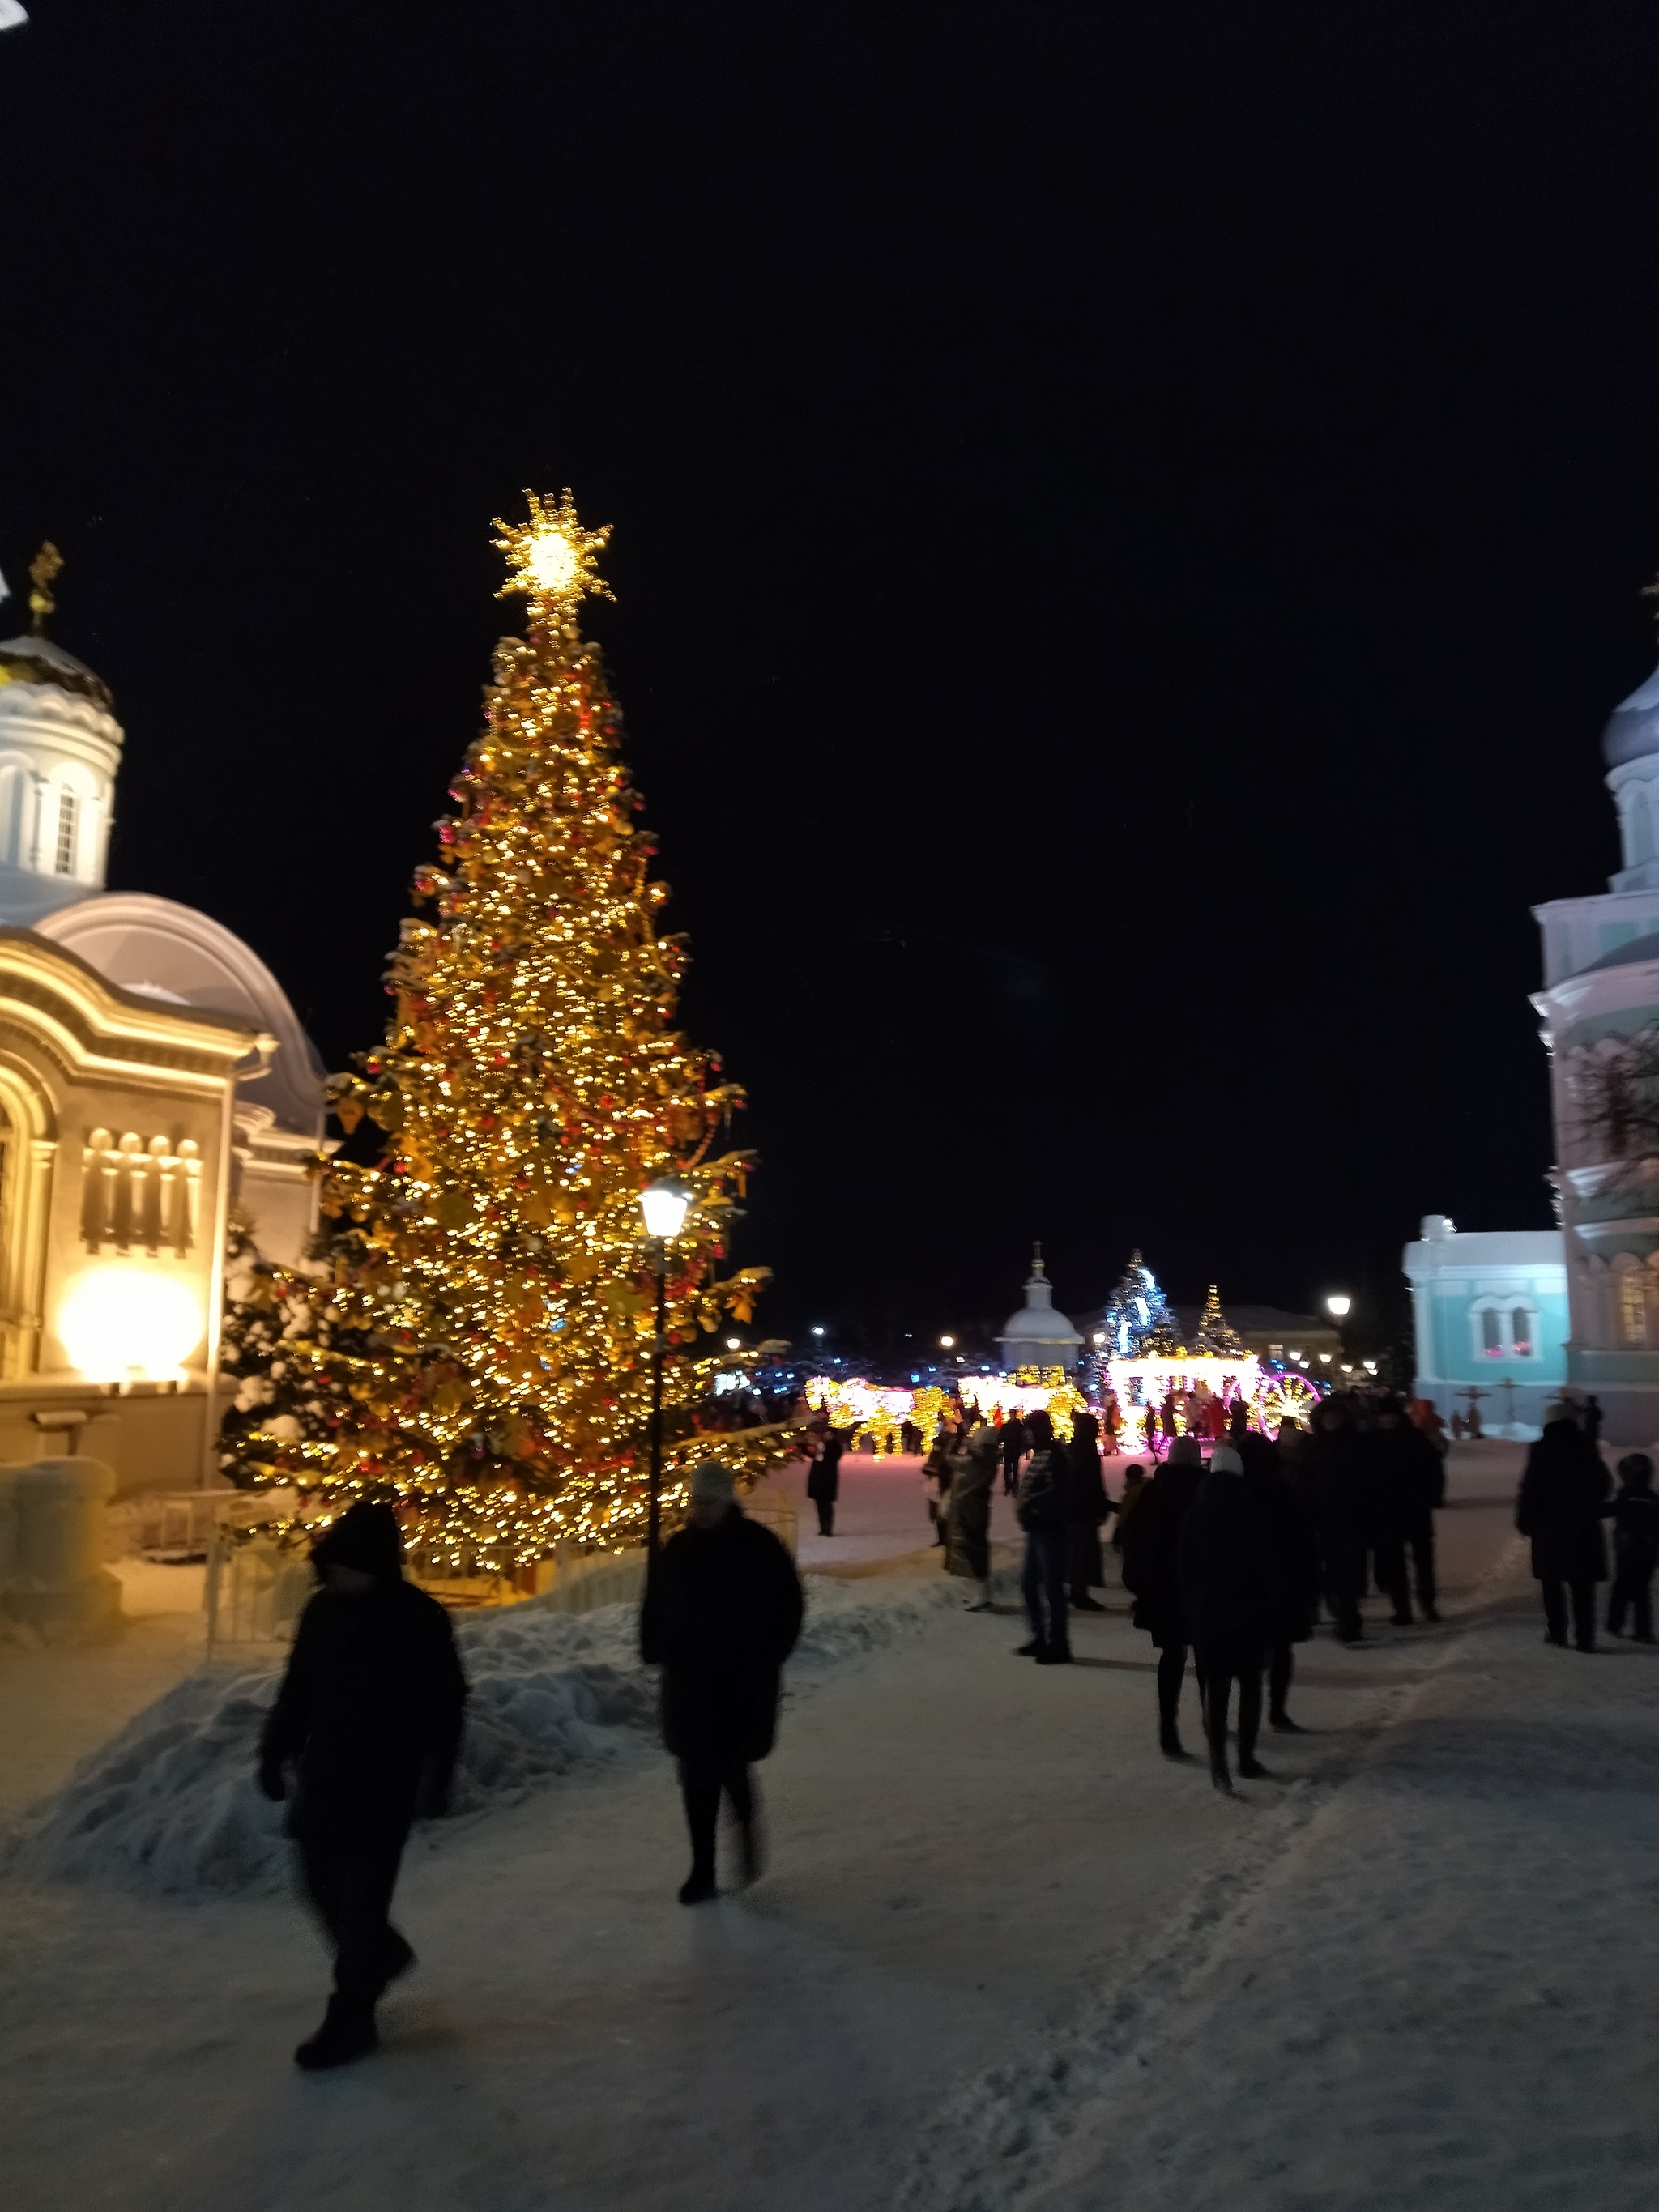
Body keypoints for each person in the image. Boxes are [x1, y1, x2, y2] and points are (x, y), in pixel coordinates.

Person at [258, 1501, 467, 2071]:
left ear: (374, 1564)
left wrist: (435, 1773)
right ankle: (381, 1954)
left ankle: (351, 2015)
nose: (334, 1576)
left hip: (385, 1778)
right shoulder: (322, 1612)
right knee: (318, 1884)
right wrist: (273, 1750)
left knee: (361, 1900)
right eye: (330, 1566)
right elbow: (298, 1687)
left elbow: (446, 1703)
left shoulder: (416, 1618)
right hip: (325, 1770)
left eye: (345, 1566)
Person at [639, 1460, 804, 1903]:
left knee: (730, 1767)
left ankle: (746, 1825)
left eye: (711, 1502)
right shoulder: (678, 1549)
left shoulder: (757, 1548)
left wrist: (766, 1656)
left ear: (727, 1501)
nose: (703, 1511)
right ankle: (702, 1869)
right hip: (690, 1682)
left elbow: (787, 1607)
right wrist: (654, 1644)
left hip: (739, 1683)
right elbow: (657, 1600)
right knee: (696, 1776)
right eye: (697, 1502)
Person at [1179, 1442, 1287, 1792]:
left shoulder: (1197, 1512)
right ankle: (1245, 1756)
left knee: (1217, 1686)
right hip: (1248, 1608)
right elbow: (1268, 1564)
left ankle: (1218, 1762)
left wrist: (1194, 1602)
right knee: (1251, 1685)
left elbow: (1185, 1566)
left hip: (1211, 1610)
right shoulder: (1252, 1509)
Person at [1120, 1435, 1206, 1755]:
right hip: (1200, 1588)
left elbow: (1134, 1540)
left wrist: (1140, 1583)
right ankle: (1212, 1718)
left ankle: (1168, 1726)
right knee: (1206, 1657)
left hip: (1164, 1589)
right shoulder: (1204, 1491)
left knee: (1171, 1657)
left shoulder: (1153, 1493)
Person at [1236, 1431, 1320, 1732]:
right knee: (1281, 1650)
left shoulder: (1229, 1493)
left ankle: (1243, 1717)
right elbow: (1302, 1542)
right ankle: (1276, 1711)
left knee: (1244, 1655)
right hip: (1283, 1582)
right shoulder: (1282, 1492)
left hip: (1242, 1585)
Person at [1516, 1406, 1611, 1652]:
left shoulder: (1541, 1449)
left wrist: (1525, 1521)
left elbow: (1531, 1488)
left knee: (1552, 1582)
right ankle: (1585, 1638)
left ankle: (1557, 1632)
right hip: (1583, 1526)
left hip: (1550, 1527)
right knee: (1582, 1585)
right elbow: (1603, 1484)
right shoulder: (1586, 1446)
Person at [1298, 1395, 1370, 1643]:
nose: (1332, 1421)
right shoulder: (1312, 1448)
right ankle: (1339, 1611)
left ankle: (1349, 1619)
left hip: (1351, 1517)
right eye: (1327, 1418)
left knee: (1348, 1571)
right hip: (1323, 1519)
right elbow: (1303, 1484)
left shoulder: (1357, 1445)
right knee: (1331, 1571)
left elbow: (1369, 1482)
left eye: (1335, 1417)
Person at [1371, 1398, 1446, 1623]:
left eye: (1391, 1414)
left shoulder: (1415, 1438)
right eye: (1384, 1415)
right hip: (1387, 1511)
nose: (1388, 1419)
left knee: (1423, 1561)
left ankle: (1427, 1603)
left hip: (1416, 1508)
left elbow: (1434, 1469)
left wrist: (1432, 1496)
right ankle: (1402, 1609)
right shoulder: (1372, 1442)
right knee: (1395, 1563)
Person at [1015, 1408, 1073, 1663]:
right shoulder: (1041, 1455)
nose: (1028, 1435)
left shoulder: (1054, 1455)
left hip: (1049, 1529)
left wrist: (1033, 1507)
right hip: (1038, 1529)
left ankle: (1058, 1645)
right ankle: (1040, 1637)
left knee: (1052, 1588)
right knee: (1029, 1584)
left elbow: (1059, 1492)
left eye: (1031, 1429)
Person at [1606, 1451, 1659, 1641]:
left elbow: (1609, 1510)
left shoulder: (1626, 1496)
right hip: (1648, 1549)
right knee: (1641, 1590)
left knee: (1622, 1587)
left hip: (1627, 1548)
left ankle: (1615, 1625)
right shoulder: (1652, 1498)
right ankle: (1642, 1630)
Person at [947, 1419, 999, 1610]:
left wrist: (957, 1439)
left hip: (968, 1510)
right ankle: (981, 1591)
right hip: (979, 1509)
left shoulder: (973, 1461)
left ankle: (981, 1593)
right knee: (977, 1548)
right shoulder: (987, 1461)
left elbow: (949, 1458)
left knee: (972, 1550)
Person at [1064, 1411, 1111, 1610]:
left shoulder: (1071, 1448)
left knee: (1075, 1551)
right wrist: (1100, 1506)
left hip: (1068, 1507)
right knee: (1083, 1552)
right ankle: (1079, 1593)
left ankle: (1074, 1589)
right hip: (1083, 1509)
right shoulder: (1088, 1451)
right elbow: (1093, 1482)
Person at [807, 1424, 844, 1537]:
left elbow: (831, 1458)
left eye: (830, 1434)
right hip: (817, 1479)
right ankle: (822, 1527)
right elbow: (812, 1455)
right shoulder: (820, 1446)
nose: (827, 1436)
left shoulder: (835, 1446)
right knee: (819, 1504)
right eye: (826, 1434)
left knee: (826, 1504)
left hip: (828, 1479)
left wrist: (821, 1449)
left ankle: (828, 1528)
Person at [922, 1434, 953, 1552]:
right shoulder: (934, 1455)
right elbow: (926, 1469)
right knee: (936, 1514)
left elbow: (944, 1471)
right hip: (933, 1487)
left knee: (943, 1513)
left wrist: (934, 1471)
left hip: (941, 1487)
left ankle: (946, 1538)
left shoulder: (946, 1456)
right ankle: (941, 1538)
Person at [999, 1413, 1027, 1498]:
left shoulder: (1006, 1427)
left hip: (1009, 1449)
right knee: (1014, 1469)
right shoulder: (1019, 1426)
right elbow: (1023, 1438)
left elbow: (1001, 1437)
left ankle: (1009, 1487)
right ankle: (1013, 1487)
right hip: (1015, 1449)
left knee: (1008, 1469)